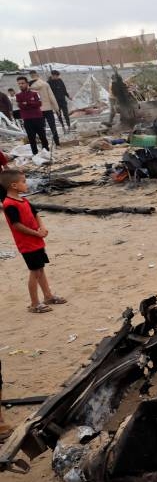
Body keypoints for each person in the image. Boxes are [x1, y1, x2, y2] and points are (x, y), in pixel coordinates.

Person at [1, 169, 68, 314]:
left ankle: (48, 296)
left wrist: (42, 228)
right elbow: (16, 225)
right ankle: (34, 303)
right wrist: (36, 233)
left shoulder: (23, 200)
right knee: (34, 272)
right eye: (23, 182)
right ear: (14, 185)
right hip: (27, 244)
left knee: (41, 269)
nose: (26, 184)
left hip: (36, 241)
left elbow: (35, 213)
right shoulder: (9, 204)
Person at [14, 77, 48, 155]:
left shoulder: (34, 93)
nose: (21, 85)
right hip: (27, 119)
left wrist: (27, 103)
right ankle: (35, 154)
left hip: (38, 118)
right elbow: (21, 106)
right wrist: (31, 103)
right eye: (19, 84)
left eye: (22, 83)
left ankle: (46, 153)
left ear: (27, 84)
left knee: (43, 137)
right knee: (31, 139)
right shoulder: (18, 95)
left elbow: (39, 104)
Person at [28, 71, 59, 147]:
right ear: (37, 75)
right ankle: (57, 143)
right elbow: (51, 97)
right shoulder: (45, 84)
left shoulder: (28, 87)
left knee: (41, 128)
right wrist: (56, 108)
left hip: (37, 110)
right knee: (52, 126)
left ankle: (45, 145)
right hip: (47, 108)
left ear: (30, 76)